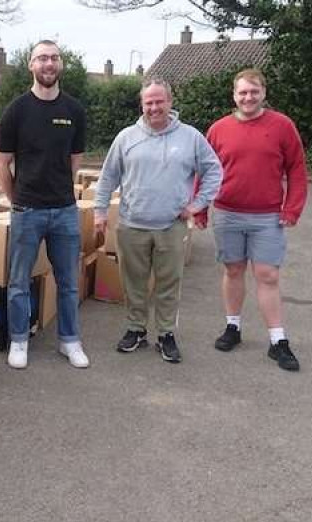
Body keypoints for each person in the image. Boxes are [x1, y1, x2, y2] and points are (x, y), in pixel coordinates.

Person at [94, 78, 222, 363]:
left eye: (159, 101)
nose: (154, 107)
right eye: (148, 102)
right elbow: (107, 177)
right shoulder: (126, 138)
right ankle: (136, 329)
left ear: (170, 102)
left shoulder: (190, 137)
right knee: (133, 283)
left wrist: (197, 205)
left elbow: (214, 171)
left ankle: (166, 334)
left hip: (171, 227)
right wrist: (100, 212)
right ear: (142, 105)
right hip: (132, 225)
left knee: (168, 285)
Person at [201, 68, 308, 372]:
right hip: (227, 213)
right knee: (233, 270)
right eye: (242, 93)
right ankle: (232, 328)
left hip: (267, 217)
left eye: (253, 92)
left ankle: (278, 341)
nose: (248, 97)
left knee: (267, 275)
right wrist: (198, 208)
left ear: (263, 93)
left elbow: (297, 170)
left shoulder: (282, 126)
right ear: (234, 96)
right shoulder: (219, 129)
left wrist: (292, 208)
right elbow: (204, 170)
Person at [0, 40, 88, 370]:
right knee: (19, 281)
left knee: (68, 281)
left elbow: (75, 161)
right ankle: (19, 340)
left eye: (53, 58)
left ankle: (69, 341)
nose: (48, 63)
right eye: (42, 58)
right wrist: (15, 199)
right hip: (27, 211)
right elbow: (1, 163)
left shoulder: (74, 110)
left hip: (64, 210)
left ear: (60, 65)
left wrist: (60, 188)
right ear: (31, 65)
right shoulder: (16, 110)